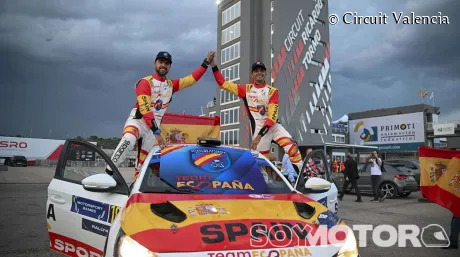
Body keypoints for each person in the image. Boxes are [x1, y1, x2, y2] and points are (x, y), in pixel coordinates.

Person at [107, 51, 215, 178]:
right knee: (128, 140)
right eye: (161, 62)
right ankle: (107, 173)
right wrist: (157, 133)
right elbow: (146, 109)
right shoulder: (145, 82)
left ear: (170, 66)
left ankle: (135, 187)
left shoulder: (170, 85)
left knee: (143, 164)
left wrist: (206, 62)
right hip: (139, 122)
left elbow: (191, 80)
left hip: (153, 130)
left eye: (167, 63)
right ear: (155, 63)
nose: (163, 65)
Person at [210, 56, 303, 172]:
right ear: (252, 75)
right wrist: (213, 64)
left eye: (261, 70)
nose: (259, 73)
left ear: (265, 73)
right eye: (256, 71)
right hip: (258, 129)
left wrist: (258, 137)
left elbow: (272, 118)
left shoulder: (272, 91)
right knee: (262, 164)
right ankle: (265, 186)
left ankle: (303, 179)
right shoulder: (245, 89)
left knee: (292, 148)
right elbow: (222, 83)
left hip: (272, 126)